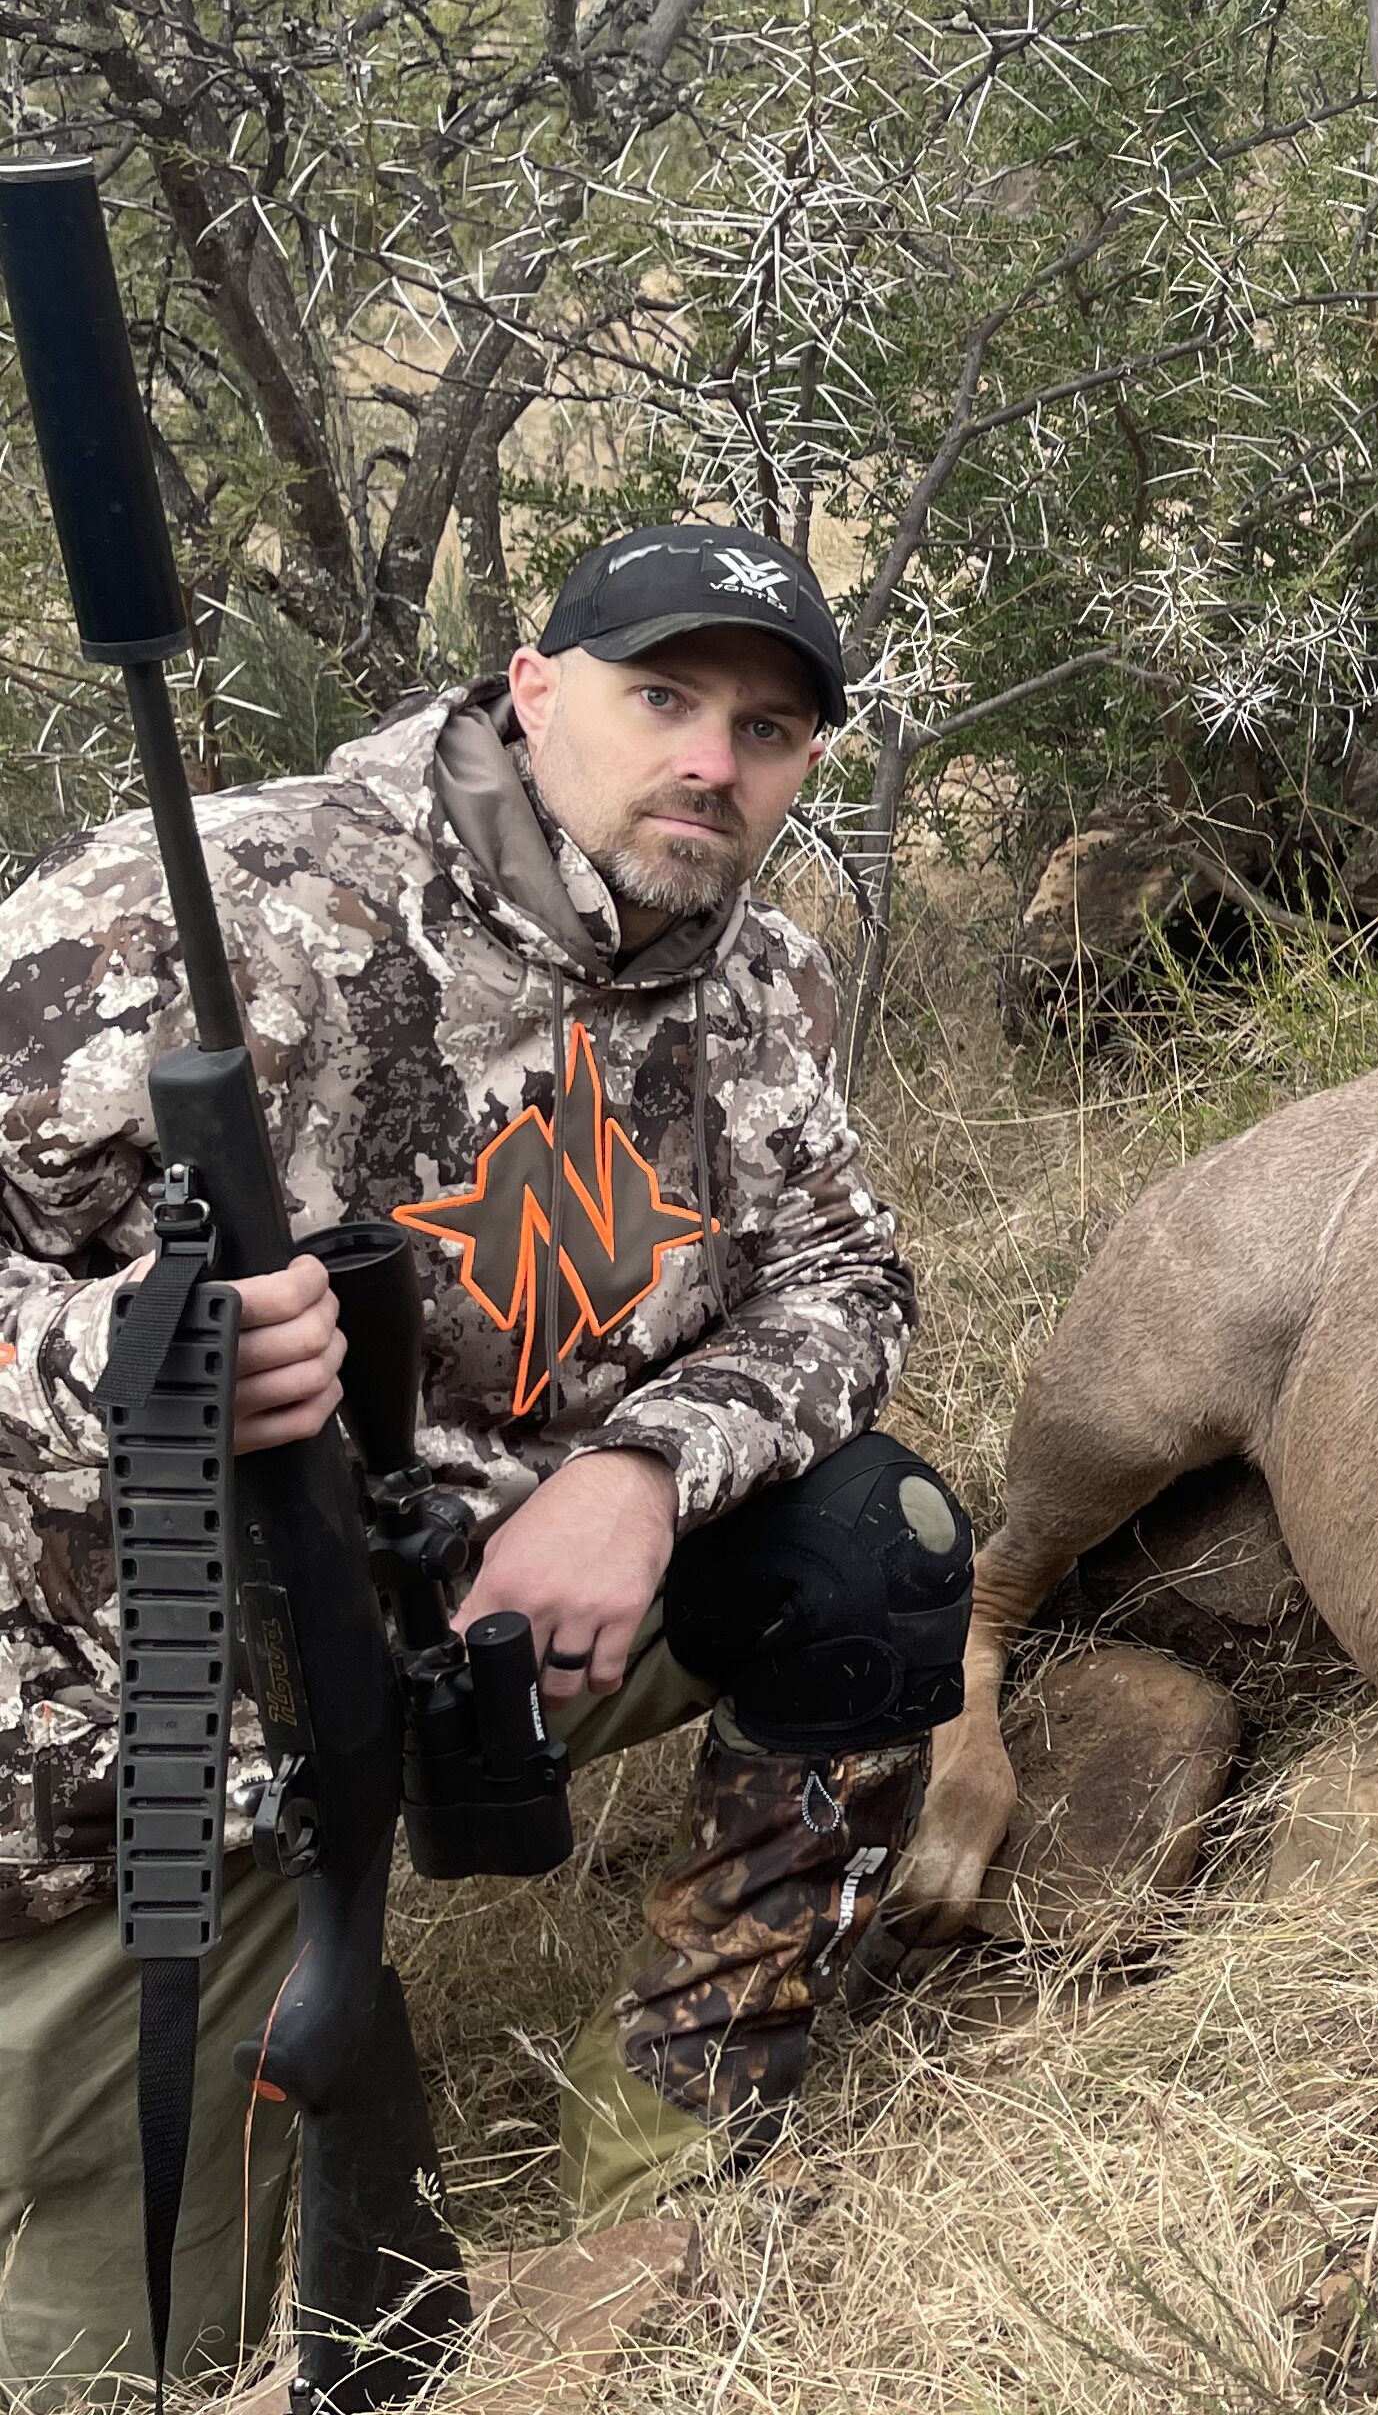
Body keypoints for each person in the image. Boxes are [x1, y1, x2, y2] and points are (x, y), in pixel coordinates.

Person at [0, 525, 966, 2396]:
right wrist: (119, 1354)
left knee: (879, 1539)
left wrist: (645, 1471)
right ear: (530, 691)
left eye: (765, 727)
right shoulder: (193, 910)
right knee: (113, 2369)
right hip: (158, 1699)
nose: (711, 758)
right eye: (661, 697)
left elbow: (848, 1270)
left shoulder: (753, 970)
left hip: (504, 1610)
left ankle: (668, 2146)